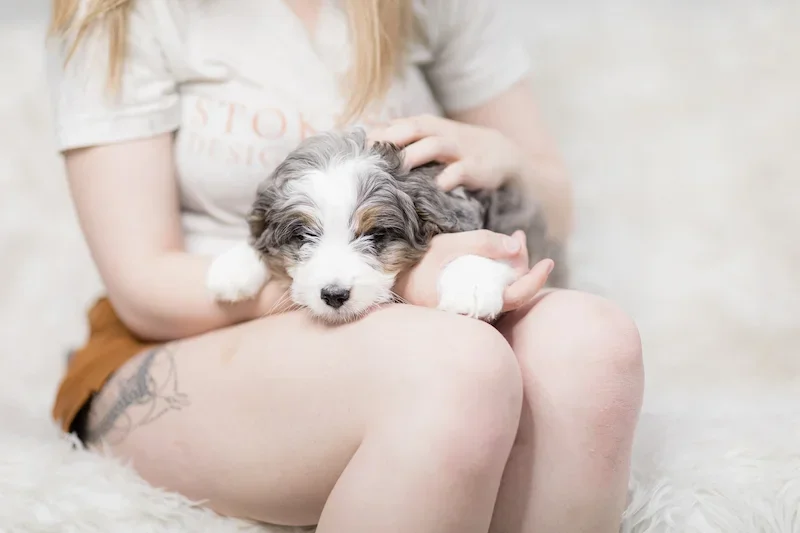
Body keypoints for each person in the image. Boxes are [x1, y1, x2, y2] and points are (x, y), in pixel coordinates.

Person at [47, 0, 644, 531]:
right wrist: (406, 282)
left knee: (594, 343)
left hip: (417, 311)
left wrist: (505, 157)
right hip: (192, 329)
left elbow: (556, 211)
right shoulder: (120, 11)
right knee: (457, 367)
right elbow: (141, 284)